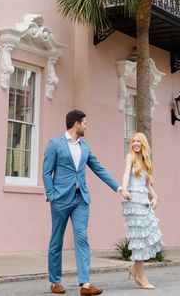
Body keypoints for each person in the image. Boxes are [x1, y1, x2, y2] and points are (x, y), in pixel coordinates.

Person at [43, 109, 131, 295]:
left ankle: (85, 284)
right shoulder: (55, 144)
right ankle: (55, 282)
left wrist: (119, 188)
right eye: (84, 123)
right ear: (76, 123)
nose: (86, 126)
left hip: (80, 199)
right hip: (60, 199)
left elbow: (99, 169)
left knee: (82, 238)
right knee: (56, 240)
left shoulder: (85, 147)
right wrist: (52, 194)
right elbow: (46, 172)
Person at [121, 132, 163, 290]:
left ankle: (135, 269)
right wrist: (123, 189)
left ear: (143, 143)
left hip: (144, 200)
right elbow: (126, 174)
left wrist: (155, 197)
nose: (136, 143)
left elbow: (148, 185)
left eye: (138, 141)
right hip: (132, 200)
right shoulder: (130, 157)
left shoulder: (146, 161)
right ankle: (141, 276)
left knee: (148, 235)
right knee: (138, 238)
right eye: (133, 141)